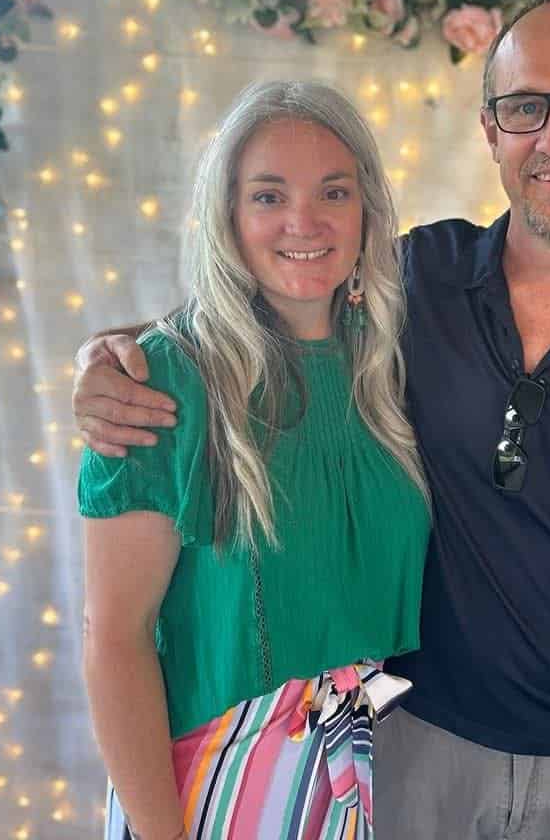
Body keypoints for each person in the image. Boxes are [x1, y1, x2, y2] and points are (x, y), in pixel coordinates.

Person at [74, 0, 550, 840]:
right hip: (403, 742)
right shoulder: (418, 282)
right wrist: (108, 357)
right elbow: (262, 312)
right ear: (491, 130)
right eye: (526, 107)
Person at [78, 79, 431, 840]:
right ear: (227, 217)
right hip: (210, 786)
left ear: (365, 210)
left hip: (373, 777)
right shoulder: (161, 379)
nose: (303, 221)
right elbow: (114, 637)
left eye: (331, 192)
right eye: (268, 196)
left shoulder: (392, 366)